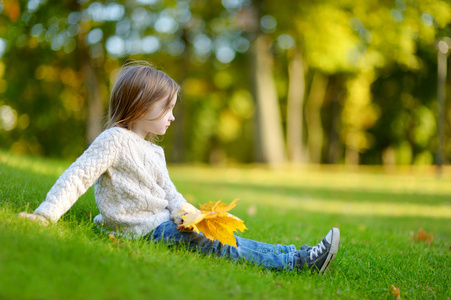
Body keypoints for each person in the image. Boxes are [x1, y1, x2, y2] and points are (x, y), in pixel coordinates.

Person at [19, 61, 340, 273]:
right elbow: (77, 177)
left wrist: (188, 213)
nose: (172, 117)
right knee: (221, 247)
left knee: (219, 233)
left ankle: (296, 253)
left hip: (164, 224)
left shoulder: (154, 152)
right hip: (143, 231)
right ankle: (296, 262)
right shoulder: (114, 140)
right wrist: (45, 215)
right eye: (167, 108)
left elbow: (169, 192)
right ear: (142, 105)